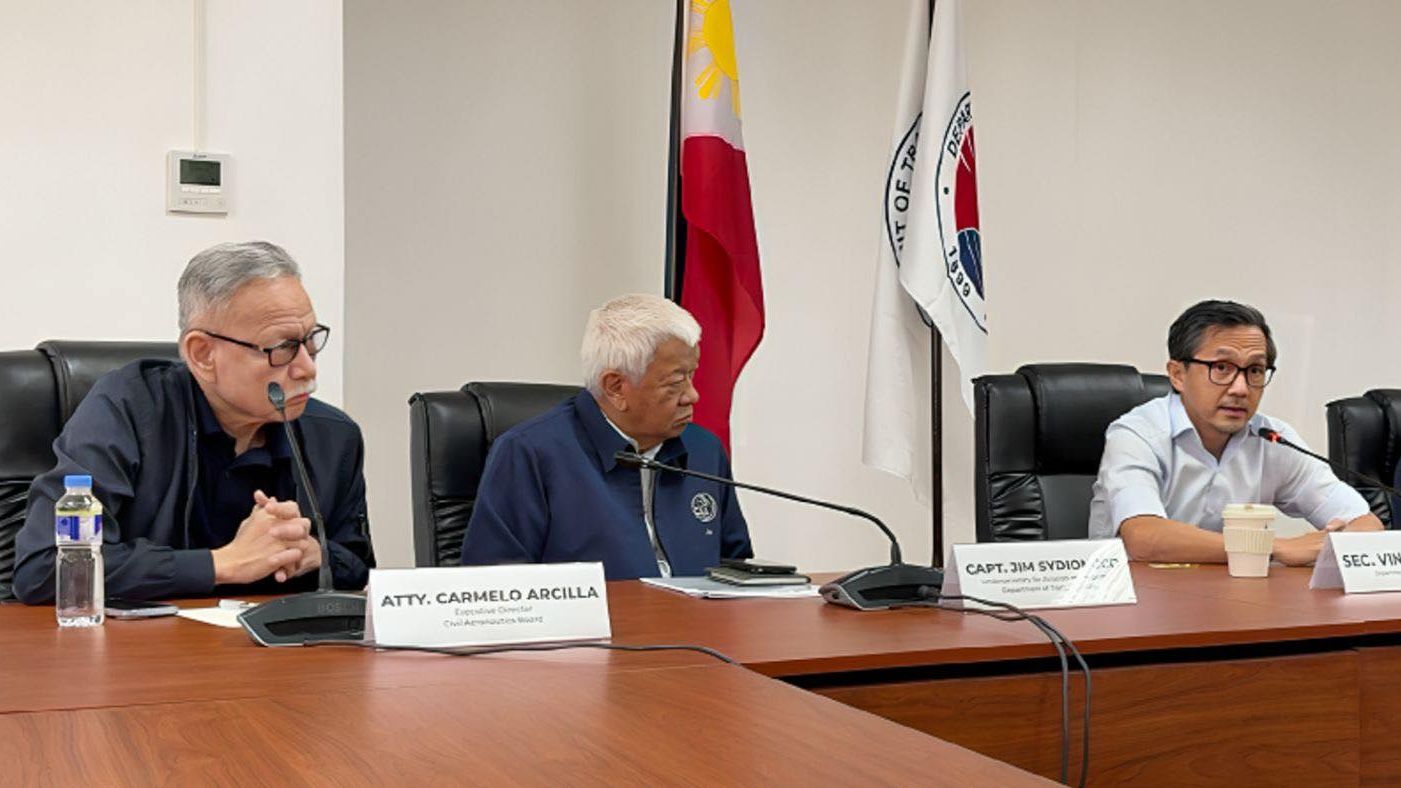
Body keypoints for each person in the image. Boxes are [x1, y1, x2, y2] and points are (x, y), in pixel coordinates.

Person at [13, 241, 374, 603]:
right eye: (282, 348)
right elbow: (44, 568)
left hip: (276, 637)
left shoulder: (333, 436)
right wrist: (222, 564)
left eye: (310, 341)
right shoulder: (128, 411)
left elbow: (362, 571)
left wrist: (315, 554)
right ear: (202, 354)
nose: (307, 368)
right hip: (148, 638)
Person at [460, 293, 753, 579]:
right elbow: (495, 586)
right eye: (676, 381)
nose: (692, 395)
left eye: (692, 375)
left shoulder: (704, 449)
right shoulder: (530, 453)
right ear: (615, 387)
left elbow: (735, 568)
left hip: (696, 614)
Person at [1088, 299, 1381, 565]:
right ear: (1178, 375)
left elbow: (1366, 523)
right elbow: (1144, 537)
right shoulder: (1137, 435)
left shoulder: (1273, 439)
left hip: (1238, 599)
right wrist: (1274, 547)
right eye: (1222, 368)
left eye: (1254, 370)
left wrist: (1334, 543)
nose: (1241, 389)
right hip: (1140, 600)